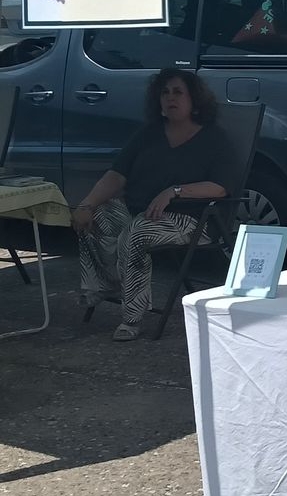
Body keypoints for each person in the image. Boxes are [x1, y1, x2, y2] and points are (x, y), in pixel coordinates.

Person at [72, 69, 236, 341]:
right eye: (165, 92)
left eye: (178, 92)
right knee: (95, 215)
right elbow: (117, 174)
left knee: (136, 233)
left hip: (190, 218)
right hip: (139, 210)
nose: (171, 98)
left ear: (194, 99)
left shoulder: (214, 139)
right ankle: (105, 285)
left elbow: (220, 187)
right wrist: (87, 204)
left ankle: (132, 318)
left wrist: (174, 191)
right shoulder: (148, 134)